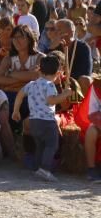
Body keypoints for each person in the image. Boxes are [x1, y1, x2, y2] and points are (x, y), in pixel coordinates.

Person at [13, 53, 74, 182]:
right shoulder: (49, 85)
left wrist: (16, 111)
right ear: (58, 72)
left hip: (34, 121)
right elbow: (51, 101)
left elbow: (19, 95)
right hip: (47, 121)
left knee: (40, 145)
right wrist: (65, 94)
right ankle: (45, 169)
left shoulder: (31, 84)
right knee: (52, 145)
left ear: (40, 69)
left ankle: (37, 167)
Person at [0, 24, 43, 124]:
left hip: (32, 96)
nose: (16, 40)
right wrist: (26, 78)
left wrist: (10, 74)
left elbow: (36, 76)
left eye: (20, 37)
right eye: (14, 37)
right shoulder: (8, 59)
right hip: (12, 95)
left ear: (29, 39)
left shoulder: (40, 57)